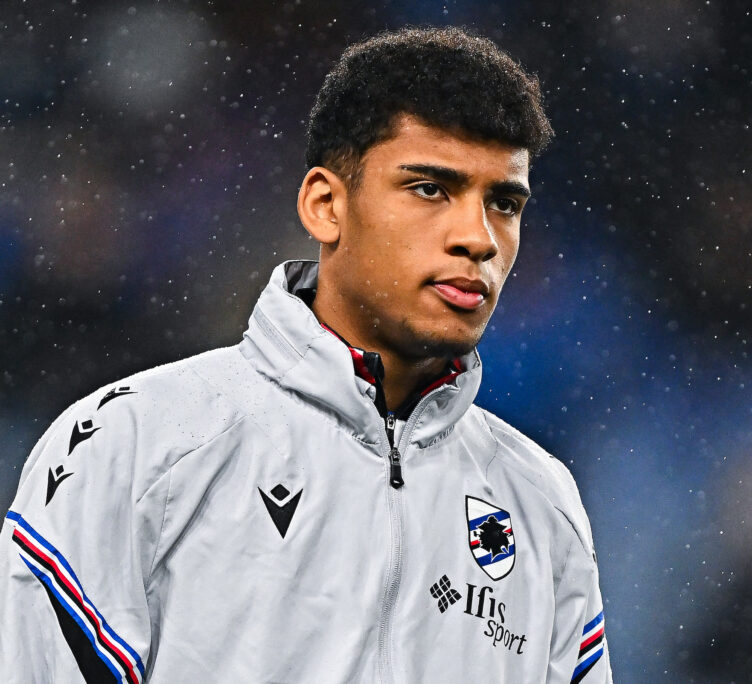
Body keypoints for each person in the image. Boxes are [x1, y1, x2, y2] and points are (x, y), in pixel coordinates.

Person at [0, 27, 611, 683]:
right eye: (430, 189)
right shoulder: (136, 445)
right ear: (325, 206)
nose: (478, 237)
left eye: (504, 203)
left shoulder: (542, 503)